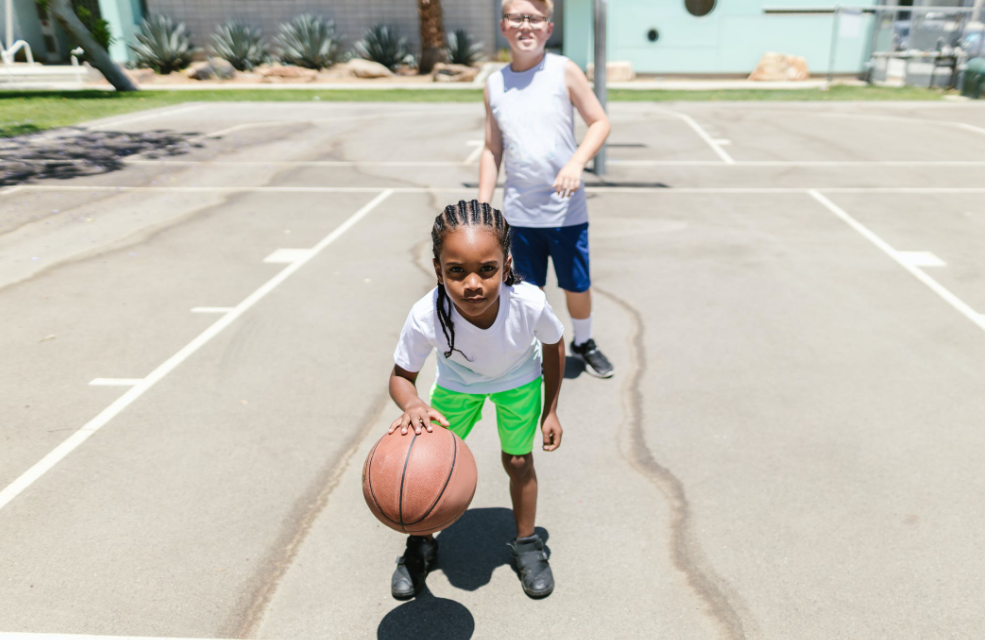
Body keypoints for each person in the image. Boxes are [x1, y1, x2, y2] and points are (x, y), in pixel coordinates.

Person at [388, 199, 564, 599]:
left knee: (518, 461)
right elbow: (401, 377)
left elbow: (554, 346)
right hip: (457, 386)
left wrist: (550, 409)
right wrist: (414, 404)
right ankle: (420, 544)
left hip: (518, 380)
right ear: (438, 269)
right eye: (456, 271)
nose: (473, 284)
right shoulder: (426, 314)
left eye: (487, 269)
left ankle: (526, 543)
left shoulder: (528, 302)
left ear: (505, 263)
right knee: (424, 467)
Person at [479, 0, 614, 378]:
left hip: (566, 210)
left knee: (576, 285)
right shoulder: (494, 84)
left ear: (548, 29)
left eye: (535, 19)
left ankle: (583, 341)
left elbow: (600, 122)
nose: (526, 26)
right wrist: (482, 206)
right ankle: (530, 350)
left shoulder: (563, 71)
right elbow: (492, 148)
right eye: (517, 18)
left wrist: (575, 163)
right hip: (520, 213)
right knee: (526, 293)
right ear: (503, 25)